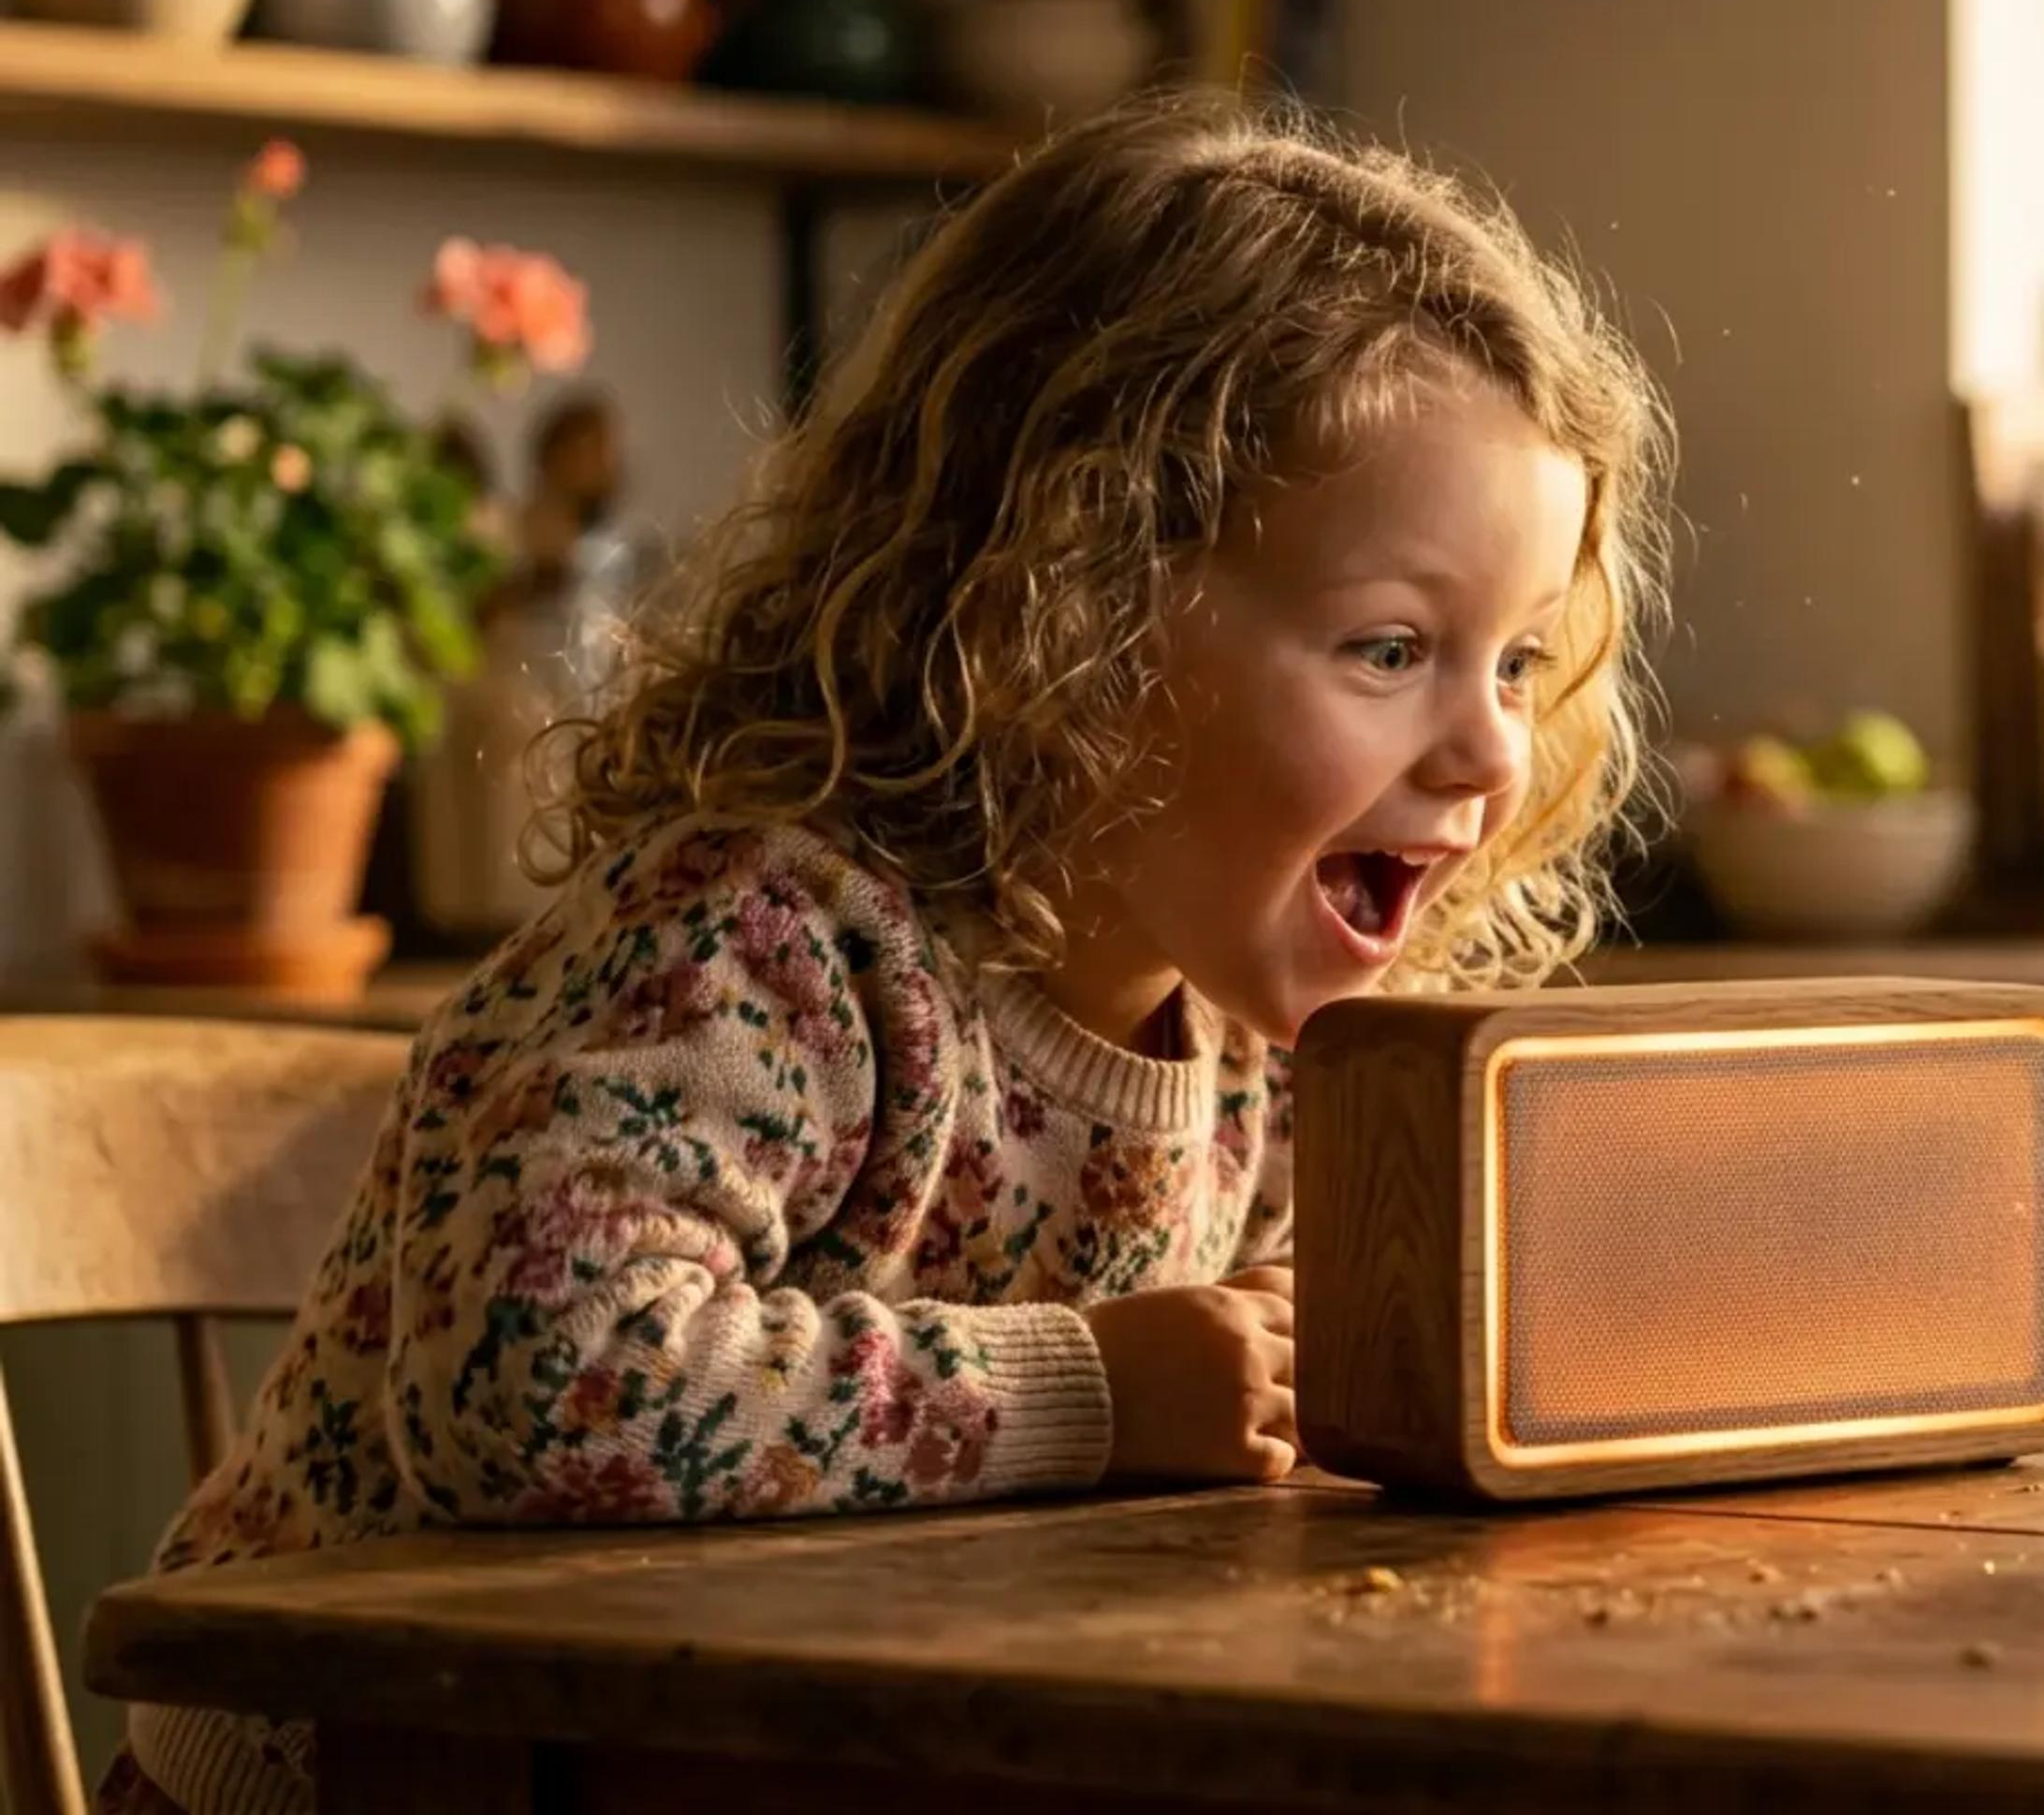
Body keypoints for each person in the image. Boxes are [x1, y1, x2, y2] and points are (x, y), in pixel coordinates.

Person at [106, 98, 1672, 1815]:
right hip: (382, 1766)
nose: (1495, 754)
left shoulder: (1271, 1033)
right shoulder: (762, 943)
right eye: (1392, 648)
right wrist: (1101, 1386)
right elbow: (537, 1378)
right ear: (1062, 611)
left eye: (1517, 663)